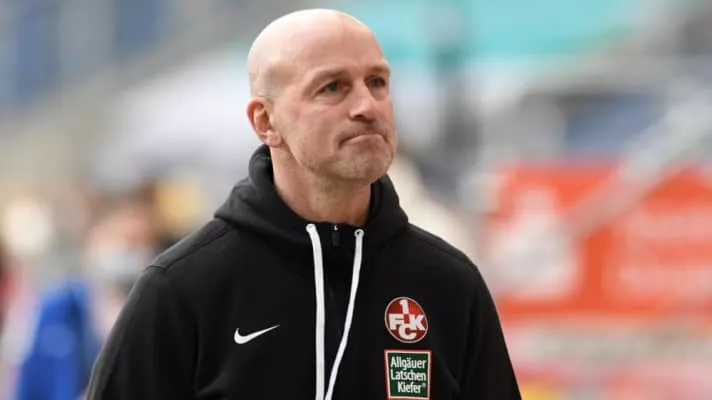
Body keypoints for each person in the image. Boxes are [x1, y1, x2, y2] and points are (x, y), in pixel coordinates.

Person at [87, 8, 520, 399]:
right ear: (265, 121)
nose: (367, 106)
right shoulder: (182, 290)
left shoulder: (450, 285)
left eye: (377, 82)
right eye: (333, 87)